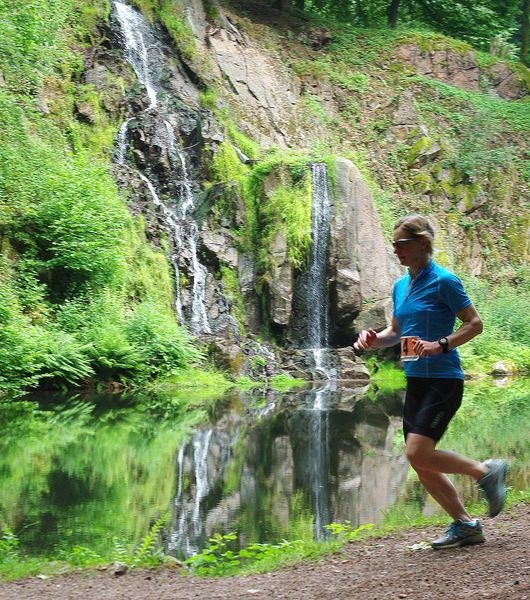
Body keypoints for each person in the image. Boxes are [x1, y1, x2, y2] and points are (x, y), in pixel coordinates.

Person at [354, 214, 508, 549]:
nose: (395, 250)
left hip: (443, 380)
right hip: (416, 381)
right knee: (418, 459)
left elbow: (474, 323)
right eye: (393, 244)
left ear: (423, 243)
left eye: (401, 244)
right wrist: (374, 340)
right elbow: (396, 333)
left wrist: (441, 344)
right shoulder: (400, 286)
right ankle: (466, 525)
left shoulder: (444, 281)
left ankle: (486, 472)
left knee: (417, 452)